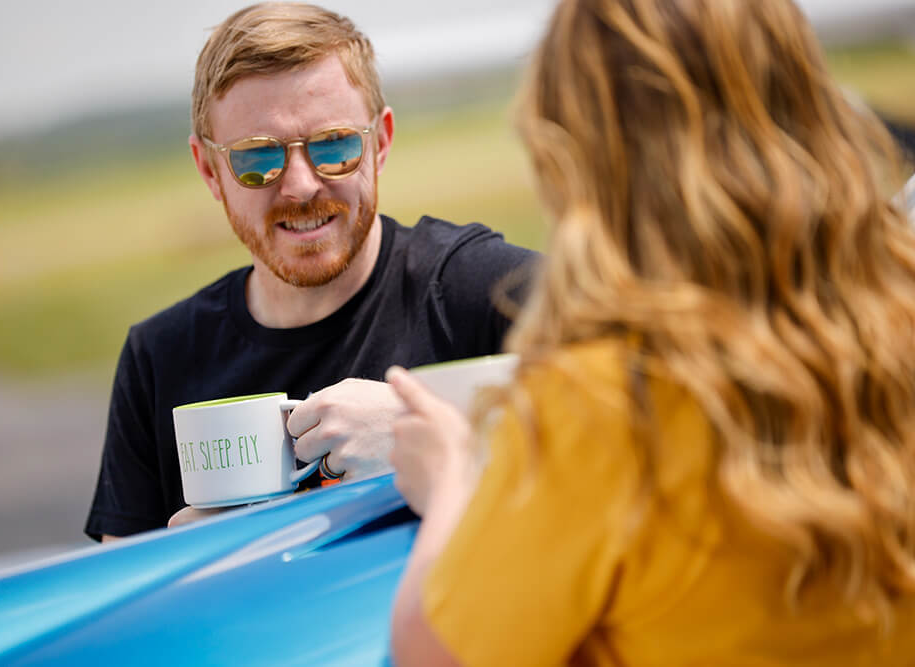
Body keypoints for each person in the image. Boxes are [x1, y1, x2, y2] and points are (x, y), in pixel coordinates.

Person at [387, 0, 915, 664]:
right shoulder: (893, 316)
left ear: (578, 149)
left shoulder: (601, 404)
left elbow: (434, 653)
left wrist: (450, 480)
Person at [84, 2, 537, 542]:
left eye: (334, 145)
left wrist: (423, 431)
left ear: (380, 143)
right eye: (257, 159)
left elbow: (622, 456)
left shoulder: (493, 291)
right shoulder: (159, 360)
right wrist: (196, 554)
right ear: (209, 170)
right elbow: (127, 584)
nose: (300, 186)